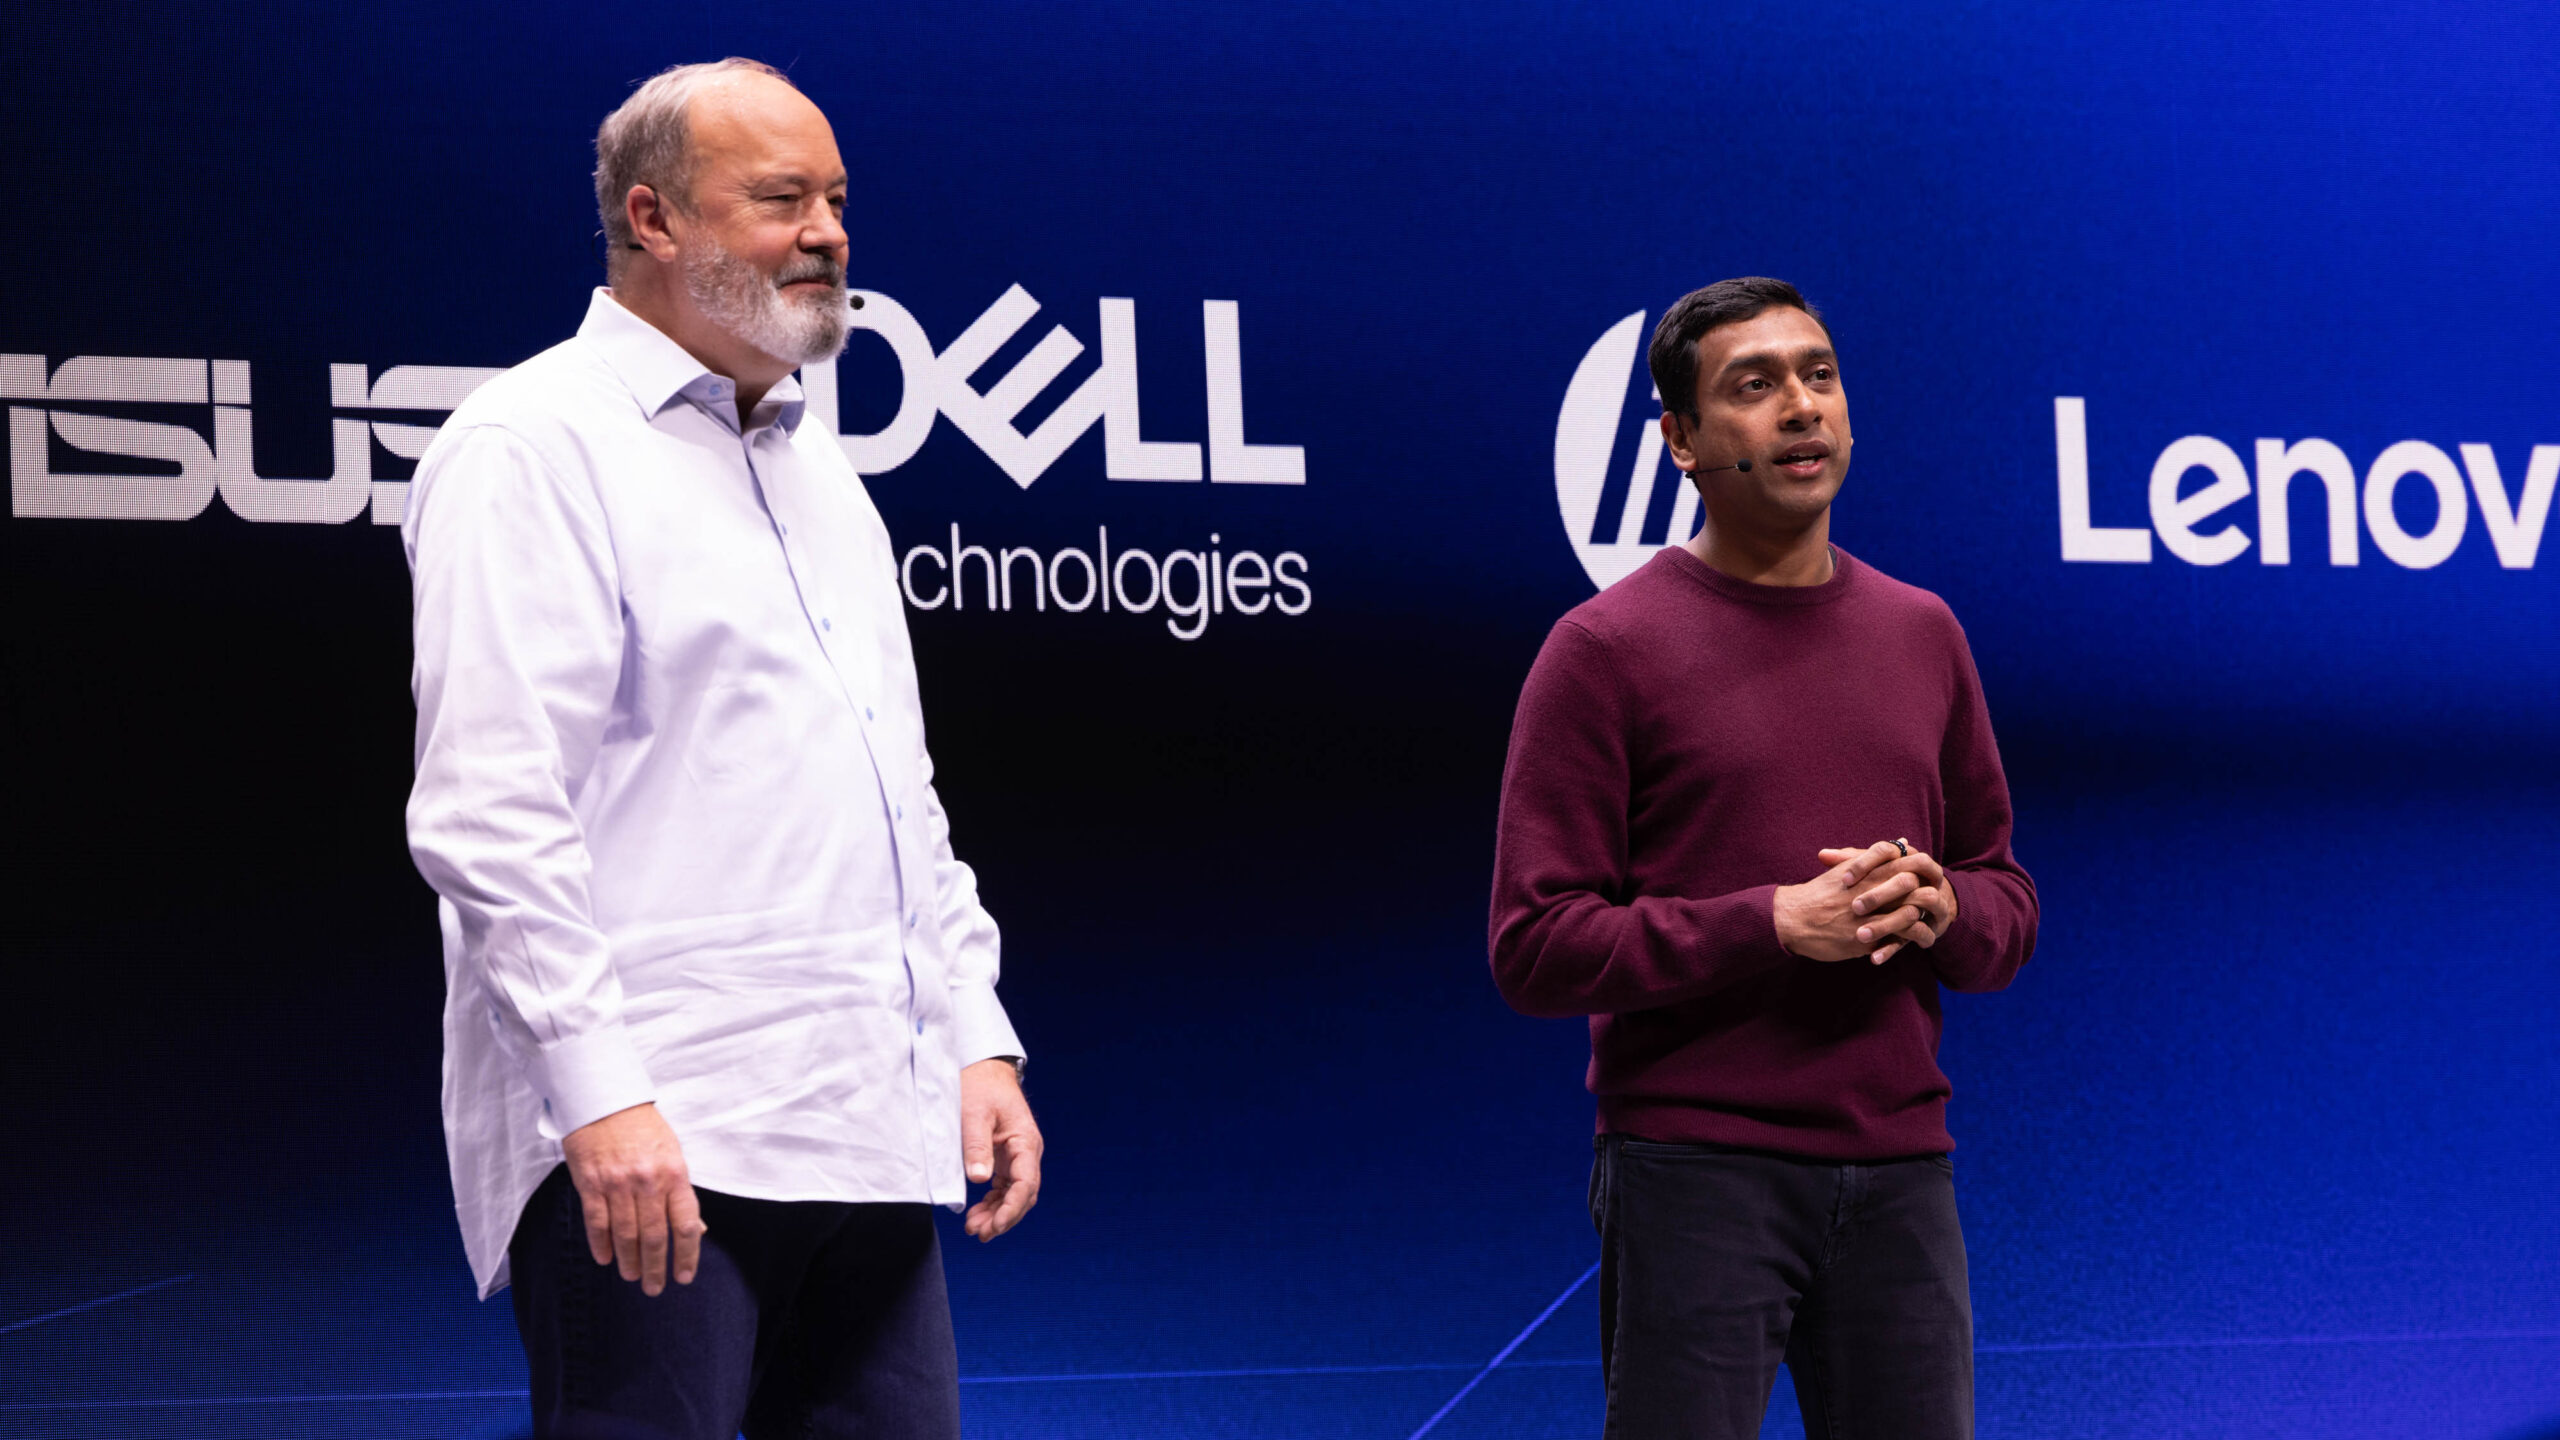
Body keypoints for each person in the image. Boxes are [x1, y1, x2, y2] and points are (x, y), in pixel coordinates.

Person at [403, 58, 1041, 1440]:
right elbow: (490, 810)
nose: (827, 233)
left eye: (838, 200)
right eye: (779, 199)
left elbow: (898, 798)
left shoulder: (825, 477)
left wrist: (974, 1044)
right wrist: (601, 1096)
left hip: (864, 1128)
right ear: (653, 218)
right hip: (660, 1143)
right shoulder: (531, 443)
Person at [1488, 277, 2038, 1439]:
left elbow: (2005, 903)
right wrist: (1771, 924)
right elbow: (1533, 946)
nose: (1801, 407)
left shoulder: (1923, 632)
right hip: (1694, 1172)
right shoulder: (1602, 651)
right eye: (1755, 385)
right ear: (1681, 443)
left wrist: (1946, 908)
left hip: (1902, 1172)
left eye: (1819, 375)